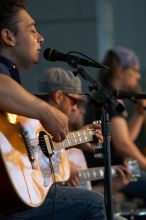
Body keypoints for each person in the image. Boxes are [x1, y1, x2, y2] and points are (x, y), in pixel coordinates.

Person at [0, 0, 106, 219]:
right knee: (94, 203)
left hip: (11, 198)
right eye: (32, 30)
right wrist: (46, 111)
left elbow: (28, 149)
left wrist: (76, 138)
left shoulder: (14, 86)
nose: (41, 37)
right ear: (8, 37)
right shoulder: (6, 81)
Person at [85, 47, 146, 210]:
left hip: (118, 166)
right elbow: (123, 145)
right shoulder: (109, 98)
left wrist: (140, 114)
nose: (138, 76)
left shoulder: (108, 95)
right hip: (111, 169)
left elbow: (125, 139)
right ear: (120, 70)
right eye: (135, 70)